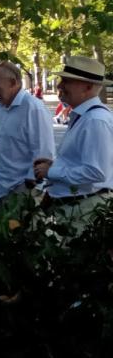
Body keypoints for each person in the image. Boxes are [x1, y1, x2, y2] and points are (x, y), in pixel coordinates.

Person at [32, 56, 113, 233]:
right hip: (76, 208)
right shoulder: (85, 116)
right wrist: (56, 165)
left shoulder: (95, 120)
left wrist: (51, 171)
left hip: (83, 211)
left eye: (67, 81)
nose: (60, 85)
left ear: (88, 87)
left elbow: (96, 172)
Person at [0, 61, 55, 233]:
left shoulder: (34, 109)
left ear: (13, 82)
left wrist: (28, 190)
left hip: (20, 191)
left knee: (19, 242)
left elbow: (45, 153)